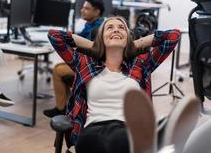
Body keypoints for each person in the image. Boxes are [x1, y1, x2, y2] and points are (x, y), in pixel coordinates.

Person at [47, 16, 181, 153]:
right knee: (96, 141)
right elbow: (54, 36)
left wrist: (135, 44)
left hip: (126, 128)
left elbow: (173, 36)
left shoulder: (141, 64)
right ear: (101, 37)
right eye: (109, 28)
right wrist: (94, 45)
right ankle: (160, 131)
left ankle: (156, 132)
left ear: (128, 37)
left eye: (121, 28)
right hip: (93, 129)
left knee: (121, 139)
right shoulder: (85, 63)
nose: (116, 30)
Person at [43, 0, 105, 117]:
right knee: (60, 67)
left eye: (86, 8)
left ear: (97, 12)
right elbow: (76, 40)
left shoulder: (97, 29)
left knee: (57, 70)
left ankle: (61, 108)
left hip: (92, 68)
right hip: (87, 64)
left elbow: (85, 48)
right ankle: (67, 107)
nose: (82, 10)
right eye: (82, 7)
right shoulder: (90, 25)